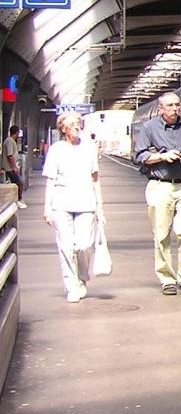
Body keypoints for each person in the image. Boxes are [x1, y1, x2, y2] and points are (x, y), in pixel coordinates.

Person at [133, 91, 181, 297]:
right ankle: (167, 279)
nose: (175, 109)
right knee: (161, 234)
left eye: (177, 105)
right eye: (170, 105)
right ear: (161, 109)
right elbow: (140, 155)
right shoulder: (149, 128)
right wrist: (162, 157)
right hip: (160, 185)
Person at [42, 111, 104, 303]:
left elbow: (95, 179)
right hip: (61, 204)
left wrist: (100, 207)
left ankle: (82, 277)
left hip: (86, 203)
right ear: (63, 129)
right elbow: (51, 181)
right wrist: (47, 209)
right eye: (72, 125)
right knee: (66, 247)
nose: (77, 127)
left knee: (84, 245)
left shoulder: (89, 148)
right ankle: (72, 286)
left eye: (78, 124)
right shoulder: (56, 150)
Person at [4, 125, 27, 208]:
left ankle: (17, 200)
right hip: (10, 168)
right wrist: (14, 167)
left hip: (11, 167)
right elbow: (10, 155)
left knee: (17, 183)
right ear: (16, 132)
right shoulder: (9, 141)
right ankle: (18, 200)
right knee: (20, 182)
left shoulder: (11, 141)